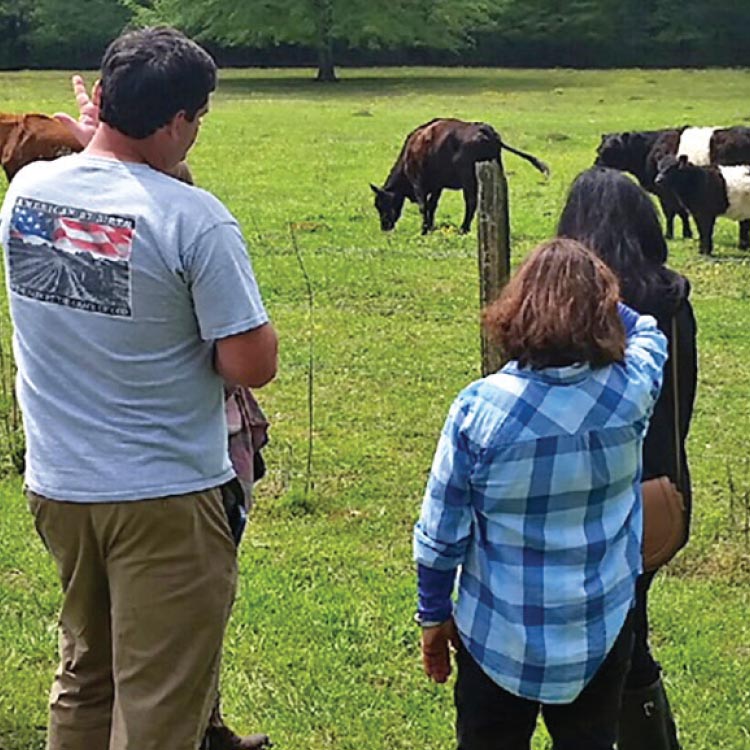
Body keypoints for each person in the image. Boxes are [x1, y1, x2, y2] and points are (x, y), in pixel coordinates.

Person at [0, 26, 278, 750]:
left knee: (85, 680)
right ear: (179, 120)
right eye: (198, 118)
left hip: (61, 487)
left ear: (101, 97)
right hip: (161, 496)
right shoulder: (193, 219)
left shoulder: (28, 193)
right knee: (158, 706)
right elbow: (250, 363)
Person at [414, 238, 668, 750]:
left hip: (498, 636)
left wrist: (434, 614)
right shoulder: (631, 390)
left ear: (517, 310)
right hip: (601, 629)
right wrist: (593, 294)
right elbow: (648, 329)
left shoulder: (479, 411)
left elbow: (440, 536)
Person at [557, 166, 698, 750]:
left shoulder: (568, 307)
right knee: (629, 623)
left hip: (584, 498)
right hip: (661, 491)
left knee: (612, 637)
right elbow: (681, 397)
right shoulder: (670, 299)